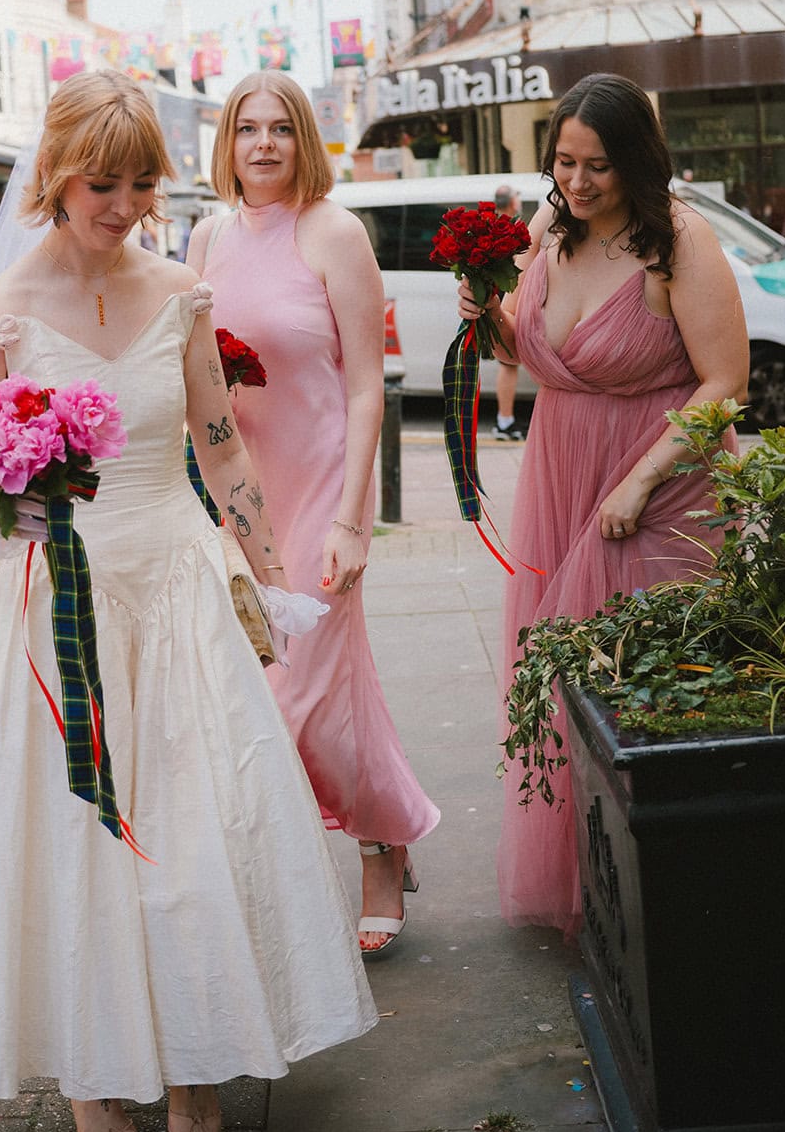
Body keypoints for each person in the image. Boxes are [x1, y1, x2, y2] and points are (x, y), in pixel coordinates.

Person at [0, 70, 377, 1132]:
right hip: (56, 602)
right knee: (75, 840)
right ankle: (92, 1077)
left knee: (194, 831)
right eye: (105, 182)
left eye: (141, 183)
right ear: (53, 173)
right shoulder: (3, 309)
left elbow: (219, 440)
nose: (126, 203)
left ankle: (191, 1059)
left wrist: (269, 578)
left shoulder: (178, 286)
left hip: (177, 584)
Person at [457, 73, 749, 939]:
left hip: (660, 482)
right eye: (564, 163)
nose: (578, 184)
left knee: (645, 686)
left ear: (636, 163)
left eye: (598, 168)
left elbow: (726, 384)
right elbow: (542, 352)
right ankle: (590, 885)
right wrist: (488, 315)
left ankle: (673, 897)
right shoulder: (550, 230)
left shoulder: (679, 242)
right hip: (562, 464)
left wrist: (640, 477)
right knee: (562, 680)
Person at [187, 70, 440, 960]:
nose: (263, 145)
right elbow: (189, 376)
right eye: (248, 129)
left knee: (303, 698)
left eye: (281, 130)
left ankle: (372, 851)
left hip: (323, 488)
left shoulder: (333, 231)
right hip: (245, 501)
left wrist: (353, 519)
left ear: (304, 141)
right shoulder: (207, 236)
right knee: (284, 691)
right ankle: (386, 831)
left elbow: (368, 385)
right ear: (229, 142)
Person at [491, 183, 526, 441]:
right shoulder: (509, 229)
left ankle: (505, 419)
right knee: (508, 363)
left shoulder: (490, 226)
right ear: (512, 203)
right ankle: (504, 420)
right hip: (503, 302)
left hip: (498, 300)